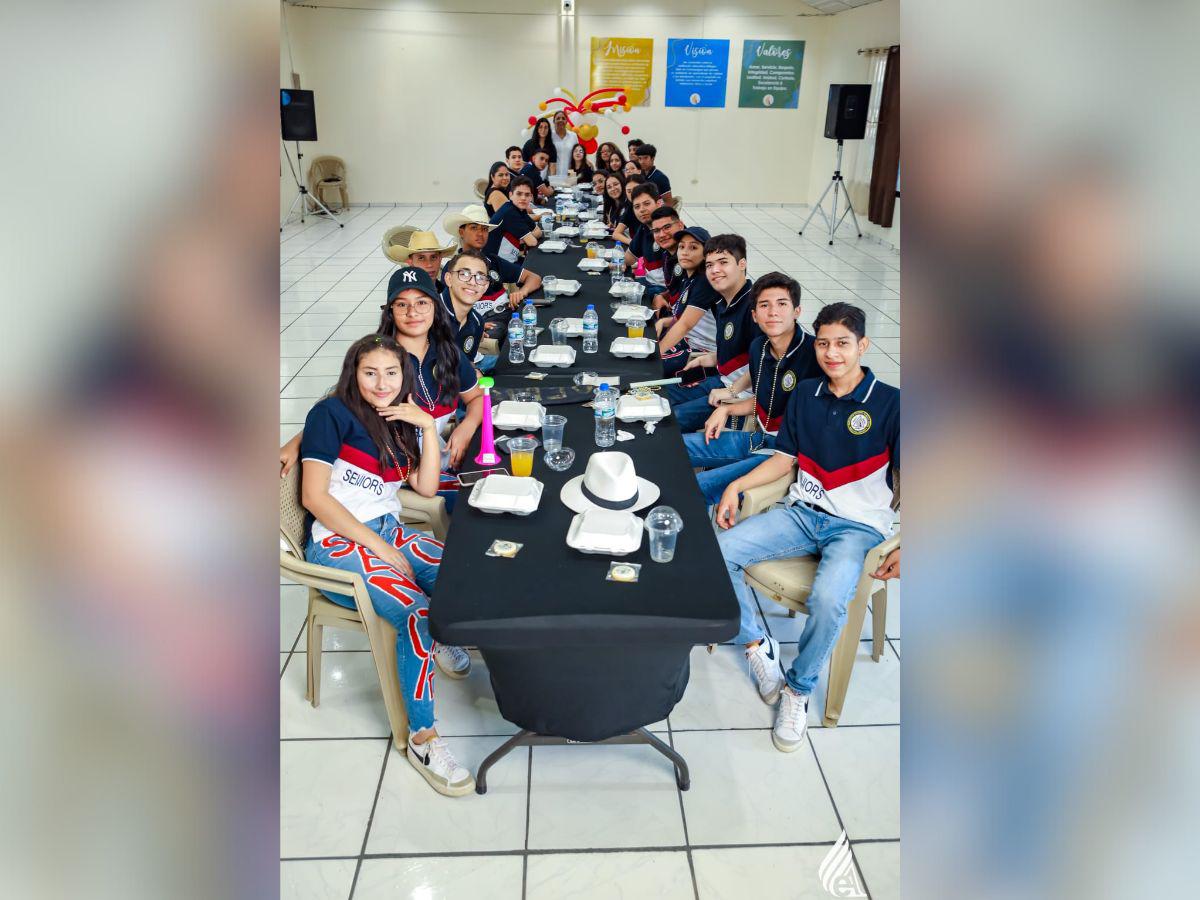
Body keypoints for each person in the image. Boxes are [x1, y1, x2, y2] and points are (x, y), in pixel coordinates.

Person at [715, 302, 900, 753]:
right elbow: (784, 460)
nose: (831, 353)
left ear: (863, 346)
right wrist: (735, 486)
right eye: (823, 343)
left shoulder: (893, 403)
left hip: (857, 528)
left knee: (830, 596)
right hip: (803, 513)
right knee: (718, 550)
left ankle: (797, 690)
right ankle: (759, 647)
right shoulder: (808, 394)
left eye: (842, 344)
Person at [300, 333, 475, 796]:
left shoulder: (400, 417)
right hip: (337, 543)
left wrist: (425, 425)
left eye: (391, 373)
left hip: (387, 529)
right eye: (370, 372)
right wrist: (378, 548)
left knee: (465, 570)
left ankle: (446, 641)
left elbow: (428, 485)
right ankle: (421, 738)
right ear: (353, 373)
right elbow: (313, 496)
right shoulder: (330, 414)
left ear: (405, 376)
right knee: (416, 612)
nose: (381, 383)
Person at [683, 272, 821, 505]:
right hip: (759, 439)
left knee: (698, 486)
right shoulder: (759, 347)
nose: (773, 312)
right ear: (755, 316)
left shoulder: (815, 355)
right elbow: (765, 401)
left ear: (797, 311)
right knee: (676, 447)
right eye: (764, 305)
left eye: (782, 304)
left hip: (788, 455)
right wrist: (726, 410)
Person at [667, 234, 761, 433]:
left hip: (741, 396)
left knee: (669, 420)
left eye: (723, 262)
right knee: (659, 398)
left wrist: (733, 390)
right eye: (709, 265)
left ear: (742, 263)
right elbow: (740, 350)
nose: (715, 270)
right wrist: (709, 359)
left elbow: (766, 363)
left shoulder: (755, 308)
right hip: (721, 381)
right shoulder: (723, 302)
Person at [442, 204, 542, 316]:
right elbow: (449, 310)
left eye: (484, 229)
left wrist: (521, 292)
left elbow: (535, 278)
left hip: (505, 319)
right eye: (474, 228)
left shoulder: (493, 261)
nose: (480, 234)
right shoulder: (452, 268)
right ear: (461, 232)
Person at [656, 225, 720, 379]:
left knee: (650, 368)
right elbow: (688, 317)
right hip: (689, 341)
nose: (685, 252)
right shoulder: (689, 277)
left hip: (703, 351)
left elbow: (686, 325)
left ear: (706, 254)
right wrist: (664, 322)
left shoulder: (705, 281)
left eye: (693, 247)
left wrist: (658, 353)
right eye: (681, 247)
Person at [440, 249, 492, 372]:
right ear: (448, 279)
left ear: (485, 286)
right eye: (464, 274)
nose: (472, 282)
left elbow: (467, 364)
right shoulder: (428, 315)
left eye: (480, 277)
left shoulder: (477, 322)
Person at [485, 176, 541, 266]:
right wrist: (525, 238)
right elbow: (532, 242)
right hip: (496, 265)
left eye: (527, 195)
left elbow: (538, 232)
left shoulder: (519, 209)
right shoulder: (510, 212)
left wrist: (522, 238)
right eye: (519, 194)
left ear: (531, 197)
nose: (523, 198)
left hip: (508, 260)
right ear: (511, 195)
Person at [622, 182, 665, 295]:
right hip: (649, 282)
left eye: (646, 204)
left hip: (664, 291)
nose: (642, 210)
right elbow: (629, 258)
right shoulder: (644, 228)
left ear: (659, 203)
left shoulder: (669, 231)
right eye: (637, 206)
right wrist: (619, 263)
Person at [384, 230, 456, 294]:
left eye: (433, 257)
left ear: (440, 259)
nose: (429, 264)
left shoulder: (449, 293)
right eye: (421, 258)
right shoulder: (402, 295)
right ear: (410, 262)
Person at [611, 173, 645, 245]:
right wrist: (633, 244)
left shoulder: (651, 208)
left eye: (636, 189)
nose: (632, 194)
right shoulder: (630, 208)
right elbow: (616, 234)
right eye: (629, 191)